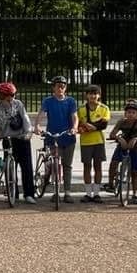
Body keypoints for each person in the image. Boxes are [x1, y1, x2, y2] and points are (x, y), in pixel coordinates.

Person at [33, 76, 79, 205]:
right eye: (58, 86)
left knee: (67, 165)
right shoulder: (48, 101)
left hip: (67, 136)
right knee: (55, 165)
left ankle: (67, 192)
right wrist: (37, 126)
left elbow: (75, 116)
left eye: (63, 86)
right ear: (53, 88)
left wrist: (74, 127)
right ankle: (56, 191)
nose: (60, 88)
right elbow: (41, 114)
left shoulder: (71, 101)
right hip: (52, 136)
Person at [0, 82, 37, 205]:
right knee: (9, 168)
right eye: (10, 95)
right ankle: (13, 193)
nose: (12, 97)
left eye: (13, 94)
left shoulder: (18, 104)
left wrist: (28, 132)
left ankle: (29, 194)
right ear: (2, 95)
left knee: (26, 167)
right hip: (7, 139)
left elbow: (25, 119)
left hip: (21, 138)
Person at [104, 100, 137, 204]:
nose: (131, 114)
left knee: (134, 171)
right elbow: (112, 134)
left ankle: (135, 194)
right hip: (123, 145)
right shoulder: (121, 122)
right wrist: (119, 139)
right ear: (125, 113)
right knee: (114, 162)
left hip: (136, 147)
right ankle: (111, 184)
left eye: (133, 112)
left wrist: (136, 139)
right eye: (129, 112)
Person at [77, 84, 110, 202]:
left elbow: (104, 124)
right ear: (86, 95)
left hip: (98, 141)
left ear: (99, 95)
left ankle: (96, 193)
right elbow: (78, 124)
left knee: (98, 166)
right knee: (86, 166)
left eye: (95, 94)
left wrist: (90, 126)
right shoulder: (81, 109)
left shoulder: (104, 108)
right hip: (85, 142)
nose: (93, 96)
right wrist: (83, 127)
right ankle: (88, 193)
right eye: (90, 94)